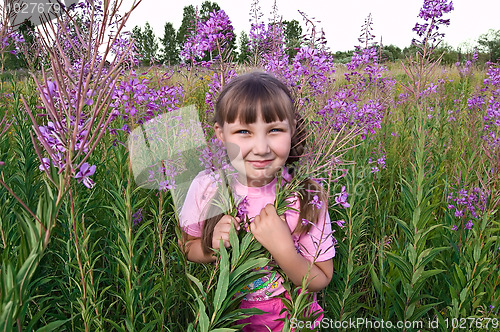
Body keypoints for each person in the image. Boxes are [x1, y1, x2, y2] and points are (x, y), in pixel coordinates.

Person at [179, 71, 335, 331]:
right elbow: (187, 247)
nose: (261, 148)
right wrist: (210, 246)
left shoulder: (307, 196)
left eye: (274, 130)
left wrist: (284, 249)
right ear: (220, 133)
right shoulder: (206, 187)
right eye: (243, 132)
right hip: (227, 320)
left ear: (292, 129)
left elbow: (321, 277)